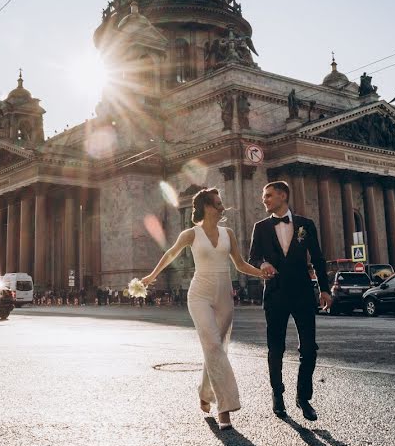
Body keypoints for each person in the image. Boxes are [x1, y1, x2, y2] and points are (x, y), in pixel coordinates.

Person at [141, 187, 269, 431]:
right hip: (199, 295)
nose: (222, 207)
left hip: (224, 296)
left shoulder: (227, 233)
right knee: (212, 345)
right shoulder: (191, 234)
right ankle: (225, 408)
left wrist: (262, 274)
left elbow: (240, 264)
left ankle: (204, 391)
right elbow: (170, 254)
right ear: (207, 207)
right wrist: (151, 276)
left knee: (217, 349)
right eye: (218, 204)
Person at [248, 181, 331, 422]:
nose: (265, 200)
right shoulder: (261, 227)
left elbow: (317, 257)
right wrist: (262, 264)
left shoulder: (306, 225)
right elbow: (253, 257)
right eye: (265, 197)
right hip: (275, 294)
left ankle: (303, 397)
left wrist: (324, 290)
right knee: (276, 348)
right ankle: (278, 394)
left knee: (309, 348)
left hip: (303, 293)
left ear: (283, 195)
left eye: (268, 196)